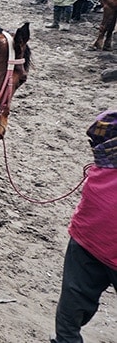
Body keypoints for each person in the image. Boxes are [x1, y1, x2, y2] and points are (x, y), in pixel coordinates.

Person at [50, 110, 117, 343]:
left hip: (88, 236)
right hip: (88, 239)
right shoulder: (110, 127)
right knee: (68, 320)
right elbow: (101, 125)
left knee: (69, 317)